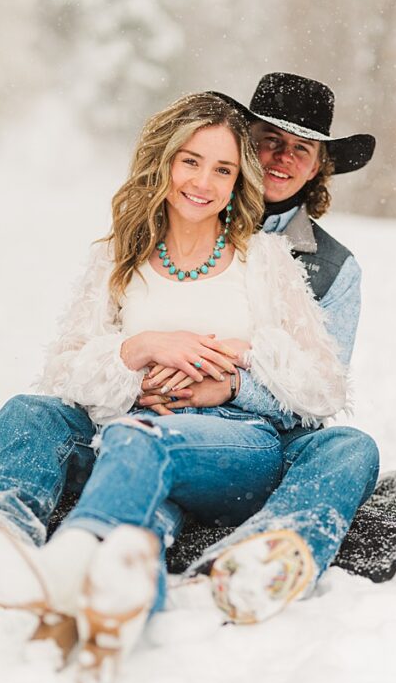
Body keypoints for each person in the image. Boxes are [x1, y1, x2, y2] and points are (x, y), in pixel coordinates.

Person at [0, 92, 349, 683]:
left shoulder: (264, 258)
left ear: (238, 179)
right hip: (125, 435)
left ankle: (70, 561)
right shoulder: (117, 257)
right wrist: (137, 351)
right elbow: (62, 373)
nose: (204, 182)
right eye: (190, 161)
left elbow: (323, 386)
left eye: (222, 169)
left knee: (149, 440)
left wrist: (238, 368)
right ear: (161, 162)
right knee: (30, 411)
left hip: (232, 447)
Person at [136, 73, 380, 607]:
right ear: (243, 141)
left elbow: (319, 391)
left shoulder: (335, 269)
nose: (282, 158)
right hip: (165, 415)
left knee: (350, 448)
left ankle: (270, 549)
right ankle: (133, 540)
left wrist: (233, 388)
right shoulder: (179, 216)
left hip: (267, 438)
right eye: (270, 139)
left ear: (319, 167)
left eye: (302, 148)